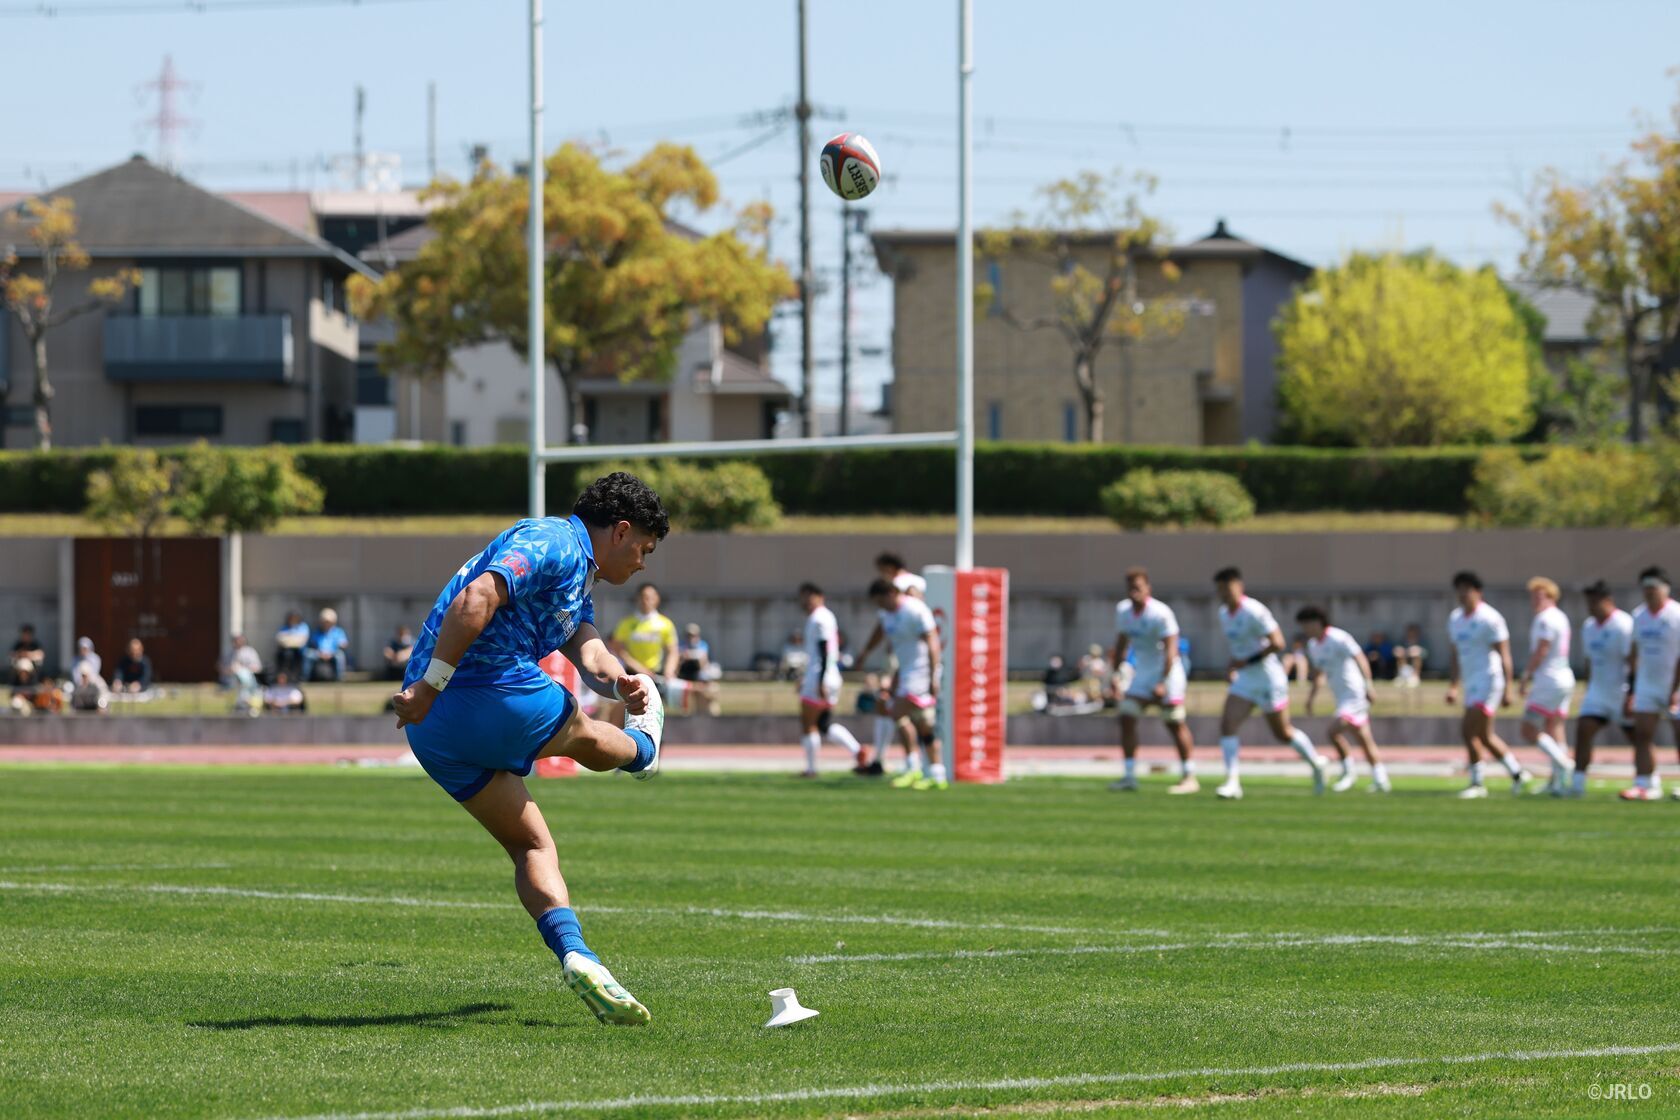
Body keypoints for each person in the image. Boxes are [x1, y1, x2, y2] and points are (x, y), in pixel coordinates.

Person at [390, 471, 669, 1025]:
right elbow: (477, 596)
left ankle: (578, 956)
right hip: (480, 690)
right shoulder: (554, 541)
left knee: (532, 845)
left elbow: (588, 649)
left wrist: (619, 682)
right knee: (586, 736)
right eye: (644, 548)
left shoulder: (576, 577)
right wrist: (430, 685)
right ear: (620, 531)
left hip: (433, 732)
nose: (642, 564)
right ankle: (644, 750)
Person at [1213, 567, 1327, 800]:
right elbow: (1238, 648)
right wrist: (1233, 666)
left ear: (1239, 587)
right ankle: (1232, 783)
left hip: (1268, 678)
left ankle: (1316, 764)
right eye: (1220, 589)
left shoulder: (1254, 611)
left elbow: (1278, 642)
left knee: (1283, 733)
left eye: (1228, 588)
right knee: (1227, 725)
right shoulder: (1224, 614)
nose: (1224, 593)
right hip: (1246, 680)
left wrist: (1247, 661)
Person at [1445, 571, 1534, 798]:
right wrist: (1454, 685)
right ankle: (1517, 773)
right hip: (1471, 683)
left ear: (1478, 592)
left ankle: (1477, 783)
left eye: (1467, 589)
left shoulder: (1490, 618)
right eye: (1459, 590)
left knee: (1467, 730)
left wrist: (1508, 688)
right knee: (1484, 736)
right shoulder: (1455, 619)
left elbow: (1504, 654)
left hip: (1489, 681)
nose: (1463, 594)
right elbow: (1455, 655)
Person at [1110, 566, 1197, 794]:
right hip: (1143, 673)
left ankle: (1189, 776)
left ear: (1148, 588)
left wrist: (1162, 682)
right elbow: (1120, 645)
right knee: (1127, 715)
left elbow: (1171, 650)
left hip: (1168, 673)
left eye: (1138, 587)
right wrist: (1114, 676)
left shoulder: (1161, 613)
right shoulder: (1123, 611)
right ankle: (1129, 776)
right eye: (1130, 588)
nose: (1134, 592)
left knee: (1174, 721)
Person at [865, 577, 945, 791]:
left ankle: (913, 768)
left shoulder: (915, 610)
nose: (880, 606)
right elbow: (890, 643)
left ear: (891, 593)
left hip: (921, 673)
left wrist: (934, 676)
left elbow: (932, 643)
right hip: (905, 672)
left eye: (881, 601)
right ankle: (937, 774)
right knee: (924, 725)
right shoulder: (887, 615)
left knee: (895, 712)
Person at [1298, 606, 1390, 793]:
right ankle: (1381, 779)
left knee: (1333, 731)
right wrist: (1310, 699)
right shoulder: (1313, 646)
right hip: (1341, 697)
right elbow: (1319, 675)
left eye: (1306, 624)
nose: (1304, 629)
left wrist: (1368, 686)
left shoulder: (1338, 637)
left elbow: (1360, 658)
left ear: (1317, 622)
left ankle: (1348, 773)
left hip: (1355, 693)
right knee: (1364, 739)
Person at [855, 555, 929, 777]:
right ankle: (897, 760)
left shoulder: (904, 589)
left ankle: (915, 763)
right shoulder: (903, 592)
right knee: (890, 706)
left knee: (904, 711)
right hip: (901, 656)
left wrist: (867, 652)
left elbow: (918, 621)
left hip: (909, 660)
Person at [1568, 581, 1632, 799]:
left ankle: (1648, 780)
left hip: (1621, 691)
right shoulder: (1589, 627)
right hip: (1598, 692)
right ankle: (1577, 784)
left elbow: (1632, 660)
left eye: (1595, 601)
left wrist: (1632, 693)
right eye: (1589, 602)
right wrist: (1588, 689)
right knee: (1583, 729)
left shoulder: (1623, 625)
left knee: (1638, 737)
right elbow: (1589, 661)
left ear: (1608, 601)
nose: (1591, 606)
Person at [1621, 566, 1680, 801]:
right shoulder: (1639, 616)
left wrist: (1675, 689)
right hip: (1647, 683)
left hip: (1675, 684)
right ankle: (1645, 783)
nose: (1649, 592)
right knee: (1642, 733)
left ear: (1665, 589)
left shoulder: (1676, 615)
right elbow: (1635, 652)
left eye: (1653, 587)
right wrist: (1632, 688)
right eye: (1645, 588)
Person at [793, 583, 864, 776]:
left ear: (820, 596)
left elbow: (823, 650)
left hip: (821, 676)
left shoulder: (819, 618)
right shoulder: (824, 617)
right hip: (826, 675)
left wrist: (819, 680)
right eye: (803, 598)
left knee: (808, 722)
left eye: (809, 597)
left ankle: (811, 768)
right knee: (824, 724)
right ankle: (857, 751)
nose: (805, 602)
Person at [1518, 577, 1577, 794]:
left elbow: (1542, 649)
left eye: (1540, 596)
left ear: (1552, 597)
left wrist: (1526, 675)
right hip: (1564, 676)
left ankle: (1564, 763)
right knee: (1555, 727)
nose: (1535, 601)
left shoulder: (1545, 619)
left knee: (1528, 729)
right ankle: (1557, 782)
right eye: (1533, 596)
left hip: (1549, 679)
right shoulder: (1560, 616)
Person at [674, 623, 721, 716]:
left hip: (700, 679)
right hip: (686, 679)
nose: (691, 638)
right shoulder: (681, 646)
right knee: (687, 707)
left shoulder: (702, 645)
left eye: (693, 635)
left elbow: (705, 664)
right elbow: (677, 663)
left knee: (708, 703)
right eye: (689, 635)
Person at [223, 633, 264, 714]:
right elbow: (221, 667)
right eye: (236, 641)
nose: (238, 643)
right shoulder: (229, 653)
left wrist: (243, 669)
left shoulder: (250, 652)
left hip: (249, 680)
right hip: (231, 680)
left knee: (244, 677)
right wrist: (231, 669)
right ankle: (240, 706)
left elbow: (258, 667)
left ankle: (248, 705)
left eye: (240, 640)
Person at [304, 608, 350, 682]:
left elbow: (344, 644)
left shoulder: (338, 632)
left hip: (333, 653)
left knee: (340, 655)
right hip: (319, 653)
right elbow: (312, 645)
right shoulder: (316, 632)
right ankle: (305, 678)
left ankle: (339, 679)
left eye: (328, 622)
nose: (326, 624)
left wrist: (333, 651)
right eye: (325, 622)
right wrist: (321, 653)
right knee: (308, 654)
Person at [69, 637, 109, 713]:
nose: (83, 650)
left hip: (93, 685)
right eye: (82, 648)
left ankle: (101, 707)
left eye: (85, 648)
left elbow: (95, 673)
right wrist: (82, 681)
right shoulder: (75, 660)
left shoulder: (95, 658)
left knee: (102, 689)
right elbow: (75, 675)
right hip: (81, 685)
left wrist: (88, 679)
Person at [275, 611, 309, 678]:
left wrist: (288, 639)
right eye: (292, 618)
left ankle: (297, 676)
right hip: (285, 651)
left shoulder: (303, 626)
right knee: (282, 654)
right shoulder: (284, 627)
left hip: (299, 651)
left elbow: (301, 641)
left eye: (295, 618)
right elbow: (279, 639)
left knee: (293, 655)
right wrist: (293, 639)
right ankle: (283, 676)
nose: (293, 619)